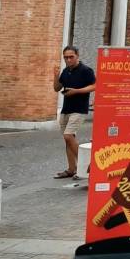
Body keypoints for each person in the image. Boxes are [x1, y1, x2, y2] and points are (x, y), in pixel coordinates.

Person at [53, 46, 96, 179]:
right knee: (68, 140)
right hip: (66, 109)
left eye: (71, 57)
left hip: (79, 109)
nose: (68, 59)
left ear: (77, 56)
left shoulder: (86, 70)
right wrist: (55, 76)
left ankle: (87, 167)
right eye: (66, 57)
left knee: (68, 136)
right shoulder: (66, 71)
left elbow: (95, 85)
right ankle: (72, 169)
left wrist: (76, 91)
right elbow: (57, 88)